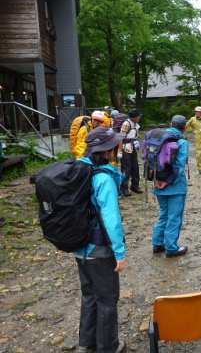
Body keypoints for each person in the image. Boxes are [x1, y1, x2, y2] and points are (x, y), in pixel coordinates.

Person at [75, 126, 127, 353]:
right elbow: (111, 219)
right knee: (107, 299)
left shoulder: (79, 169)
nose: (120, 146)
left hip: (78, 244)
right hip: (99, 248)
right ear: (109, 149)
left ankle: (86, 343)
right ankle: (108, 347)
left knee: (89, 295)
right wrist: (120, 252)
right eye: (117, 143)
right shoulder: (103, 178)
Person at [151, 115, 190, 258]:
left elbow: (151, 161)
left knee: (163, 215)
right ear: (185, 128)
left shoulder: (157, 138)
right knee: (174, 217)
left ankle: (157, 244)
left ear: (170, 124)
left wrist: (156, 179)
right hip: (175, 186)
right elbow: (179, 166)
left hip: (158, 183)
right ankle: (172, 248)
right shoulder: (182, 142)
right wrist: (168, 181)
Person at [119, 109, 143, 197]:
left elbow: (134, 137)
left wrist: (137, 146)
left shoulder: (135, 125)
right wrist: (120, 151)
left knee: (135, 168)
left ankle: (135, 186)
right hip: (126, 148)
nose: (140, 118)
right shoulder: (126, 124)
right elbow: (121, 137)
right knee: (126, 169)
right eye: (139, 116)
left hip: (132, 148)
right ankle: (124, 188)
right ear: (135, 117)